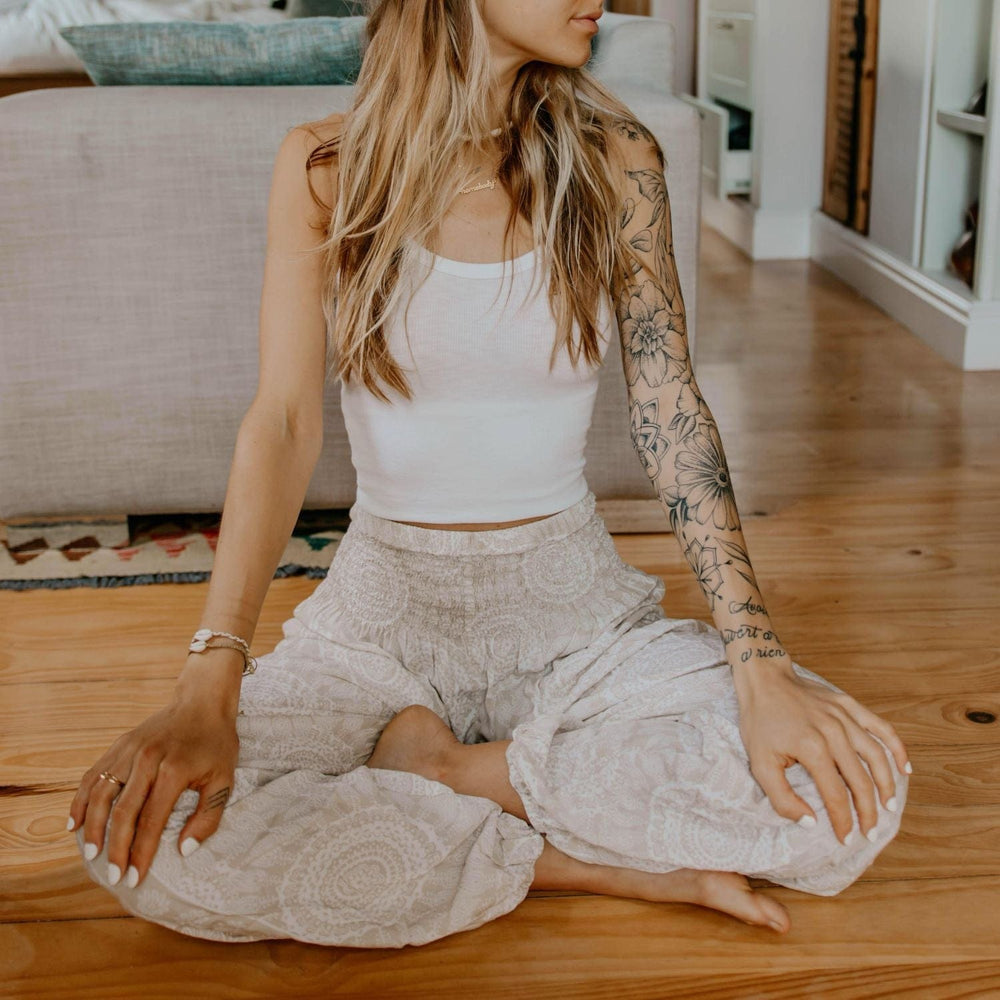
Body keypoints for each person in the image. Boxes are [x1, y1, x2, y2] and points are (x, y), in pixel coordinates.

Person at [67, 0, 911, 948]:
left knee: (856, 789)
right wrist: (206, 685)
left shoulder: (615, 155)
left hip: (575, 612)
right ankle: (576, 863)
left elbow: (671, 409)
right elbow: (284, 423)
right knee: (147, 844)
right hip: (380, 620)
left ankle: (452, 783)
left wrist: (759, 669)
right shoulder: (323, 165)